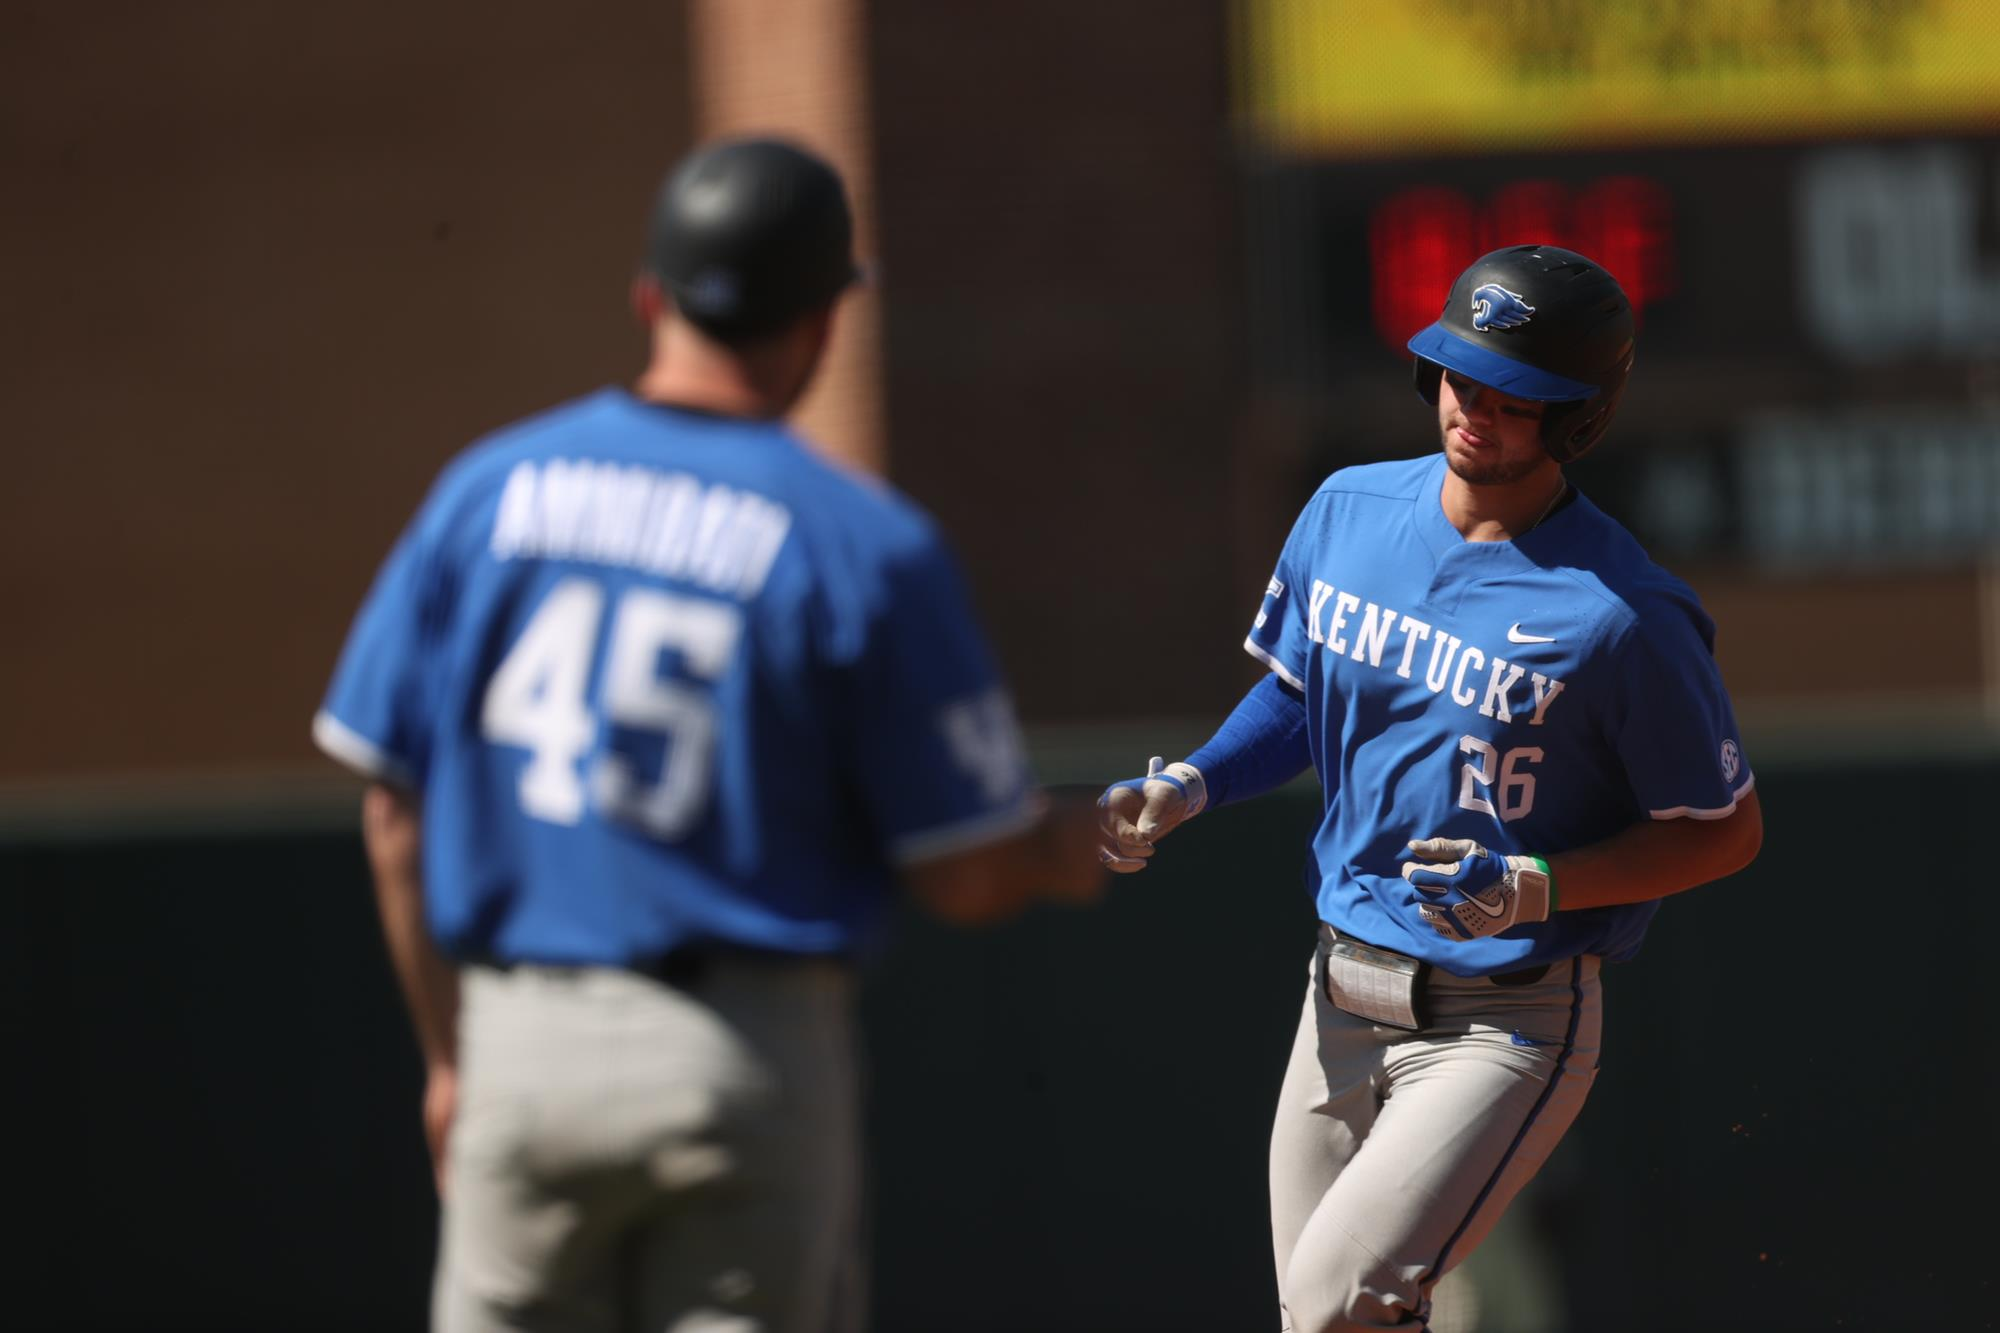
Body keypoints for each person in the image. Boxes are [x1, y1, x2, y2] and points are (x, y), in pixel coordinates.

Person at [312, 136, 1104, 1333]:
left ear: (649, 298)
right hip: (735, 1053)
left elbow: (390, 814)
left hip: (521, 1043)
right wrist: (1065, 848)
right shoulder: (857, 538)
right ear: (825, 322)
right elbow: (964, 870)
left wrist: (449, 1059)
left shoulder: (488, 490)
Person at [1099, 244, 1763, 1332]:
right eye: (1462, 379)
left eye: (1515, 397)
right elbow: (1294, 698)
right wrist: (1189, 783)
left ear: (1576, 415)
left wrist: (1542, 884)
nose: (1475, 411)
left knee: (1334, 1304)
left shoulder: (1622, 612)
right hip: (1337, 994)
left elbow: (1722, 830)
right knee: (1327, 1322)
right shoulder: (1345, 512)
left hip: (1500, 1024)